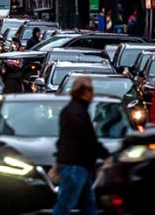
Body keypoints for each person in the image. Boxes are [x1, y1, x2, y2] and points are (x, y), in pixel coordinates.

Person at [52, 77, 109, 215]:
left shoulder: (73, 110)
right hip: (76, 165)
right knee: (65, 205)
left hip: (79, 164)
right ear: (83, 92)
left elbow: (64, 140)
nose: (92, 94)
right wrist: (105, 155)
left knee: (87, 203)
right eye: (91, 91)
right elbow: (88, 138)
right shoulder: (77, 112)